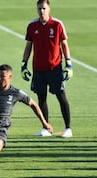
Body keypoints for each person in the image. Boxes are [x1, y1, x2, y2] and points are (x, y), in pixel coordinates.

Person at [21, 0, 73, 138]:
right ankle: (46, 128)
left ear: (49, 9)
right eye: (39, 9)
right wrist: (23, 65)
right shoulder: (32, 25)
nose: (41, 11)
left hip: (55, 68)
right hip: (38, 69)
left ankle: (68, 128)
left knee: (61, 97)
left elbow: (64, 45)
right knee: (41, 98)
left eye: (44, 8)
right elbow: (28, 46)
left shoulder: (57, 24)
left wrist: (68, 64)